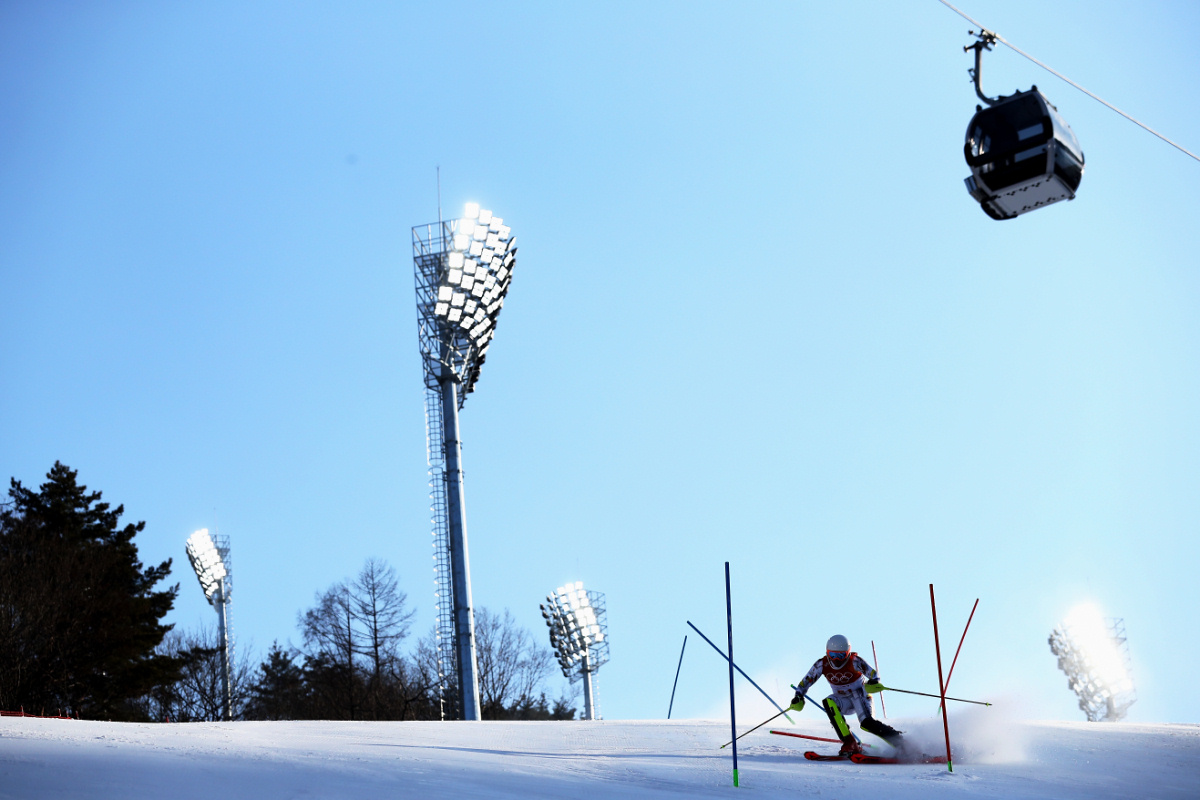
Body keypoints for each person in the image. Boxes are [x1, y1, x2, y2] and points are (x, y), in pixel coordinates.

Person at [788, 634, 903, 756]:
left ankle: (901, 743)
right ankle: (850, 743)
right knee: (828, 702)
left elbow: (874, 675)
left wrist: (873, 683)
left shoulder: (854, 661)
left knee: (866, 724)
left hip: (859, 695)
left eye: (841, 655)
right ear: (827, 653)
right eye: (832, 655)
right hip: (842, 698)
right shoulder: (822, 664)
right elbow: (805, 682)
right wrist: (798, 696)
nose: (836, 660)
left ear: (847, 653)